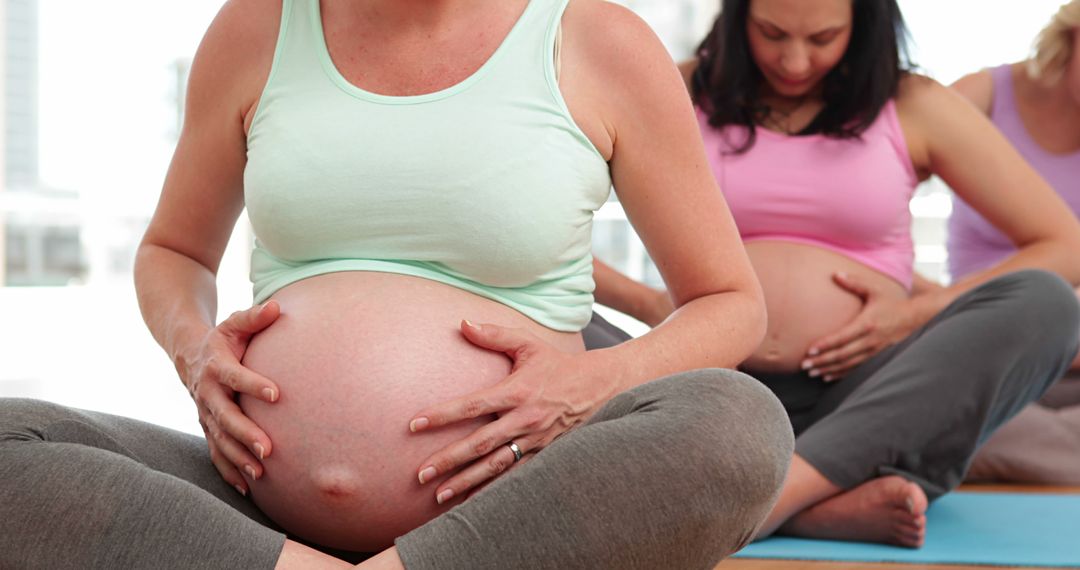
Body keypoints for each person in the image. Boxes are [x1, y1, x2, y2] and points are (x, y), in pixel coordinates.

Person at [0, 0, 795, 569]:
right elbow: (173, 250)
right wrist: (194, 354)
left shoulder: (598, 40)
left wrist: (592, 382)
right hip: (252, 497)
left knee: (740, 425)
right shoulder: (258, 26)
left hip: (519, 503)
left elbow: (730, 303)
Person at [594, 0, 1080, 548]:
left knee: (1047, 304)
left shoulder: (915, 105)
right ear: (736, 19)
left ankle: (771, 498)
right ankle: (813, 507)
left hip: (861, 396)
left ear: (864, 25)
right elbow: (535, 236)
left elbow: (1063, 244)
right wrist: (649, 303)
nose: (795, 62)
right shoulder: (672, 91)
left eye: (822, 39)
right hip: (704, 389)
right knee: (515, 315)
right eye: (772, 34)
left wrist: (912, 314)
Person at [943, 1, 1080, 484]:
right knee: (955, 403)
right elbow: (877, 184)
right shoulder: (984, 94)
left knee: (959, 423)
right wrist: (923, 299)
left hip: (1070, 367)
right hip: (989, 344)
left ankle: (948, 445)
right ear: (1072, 36)